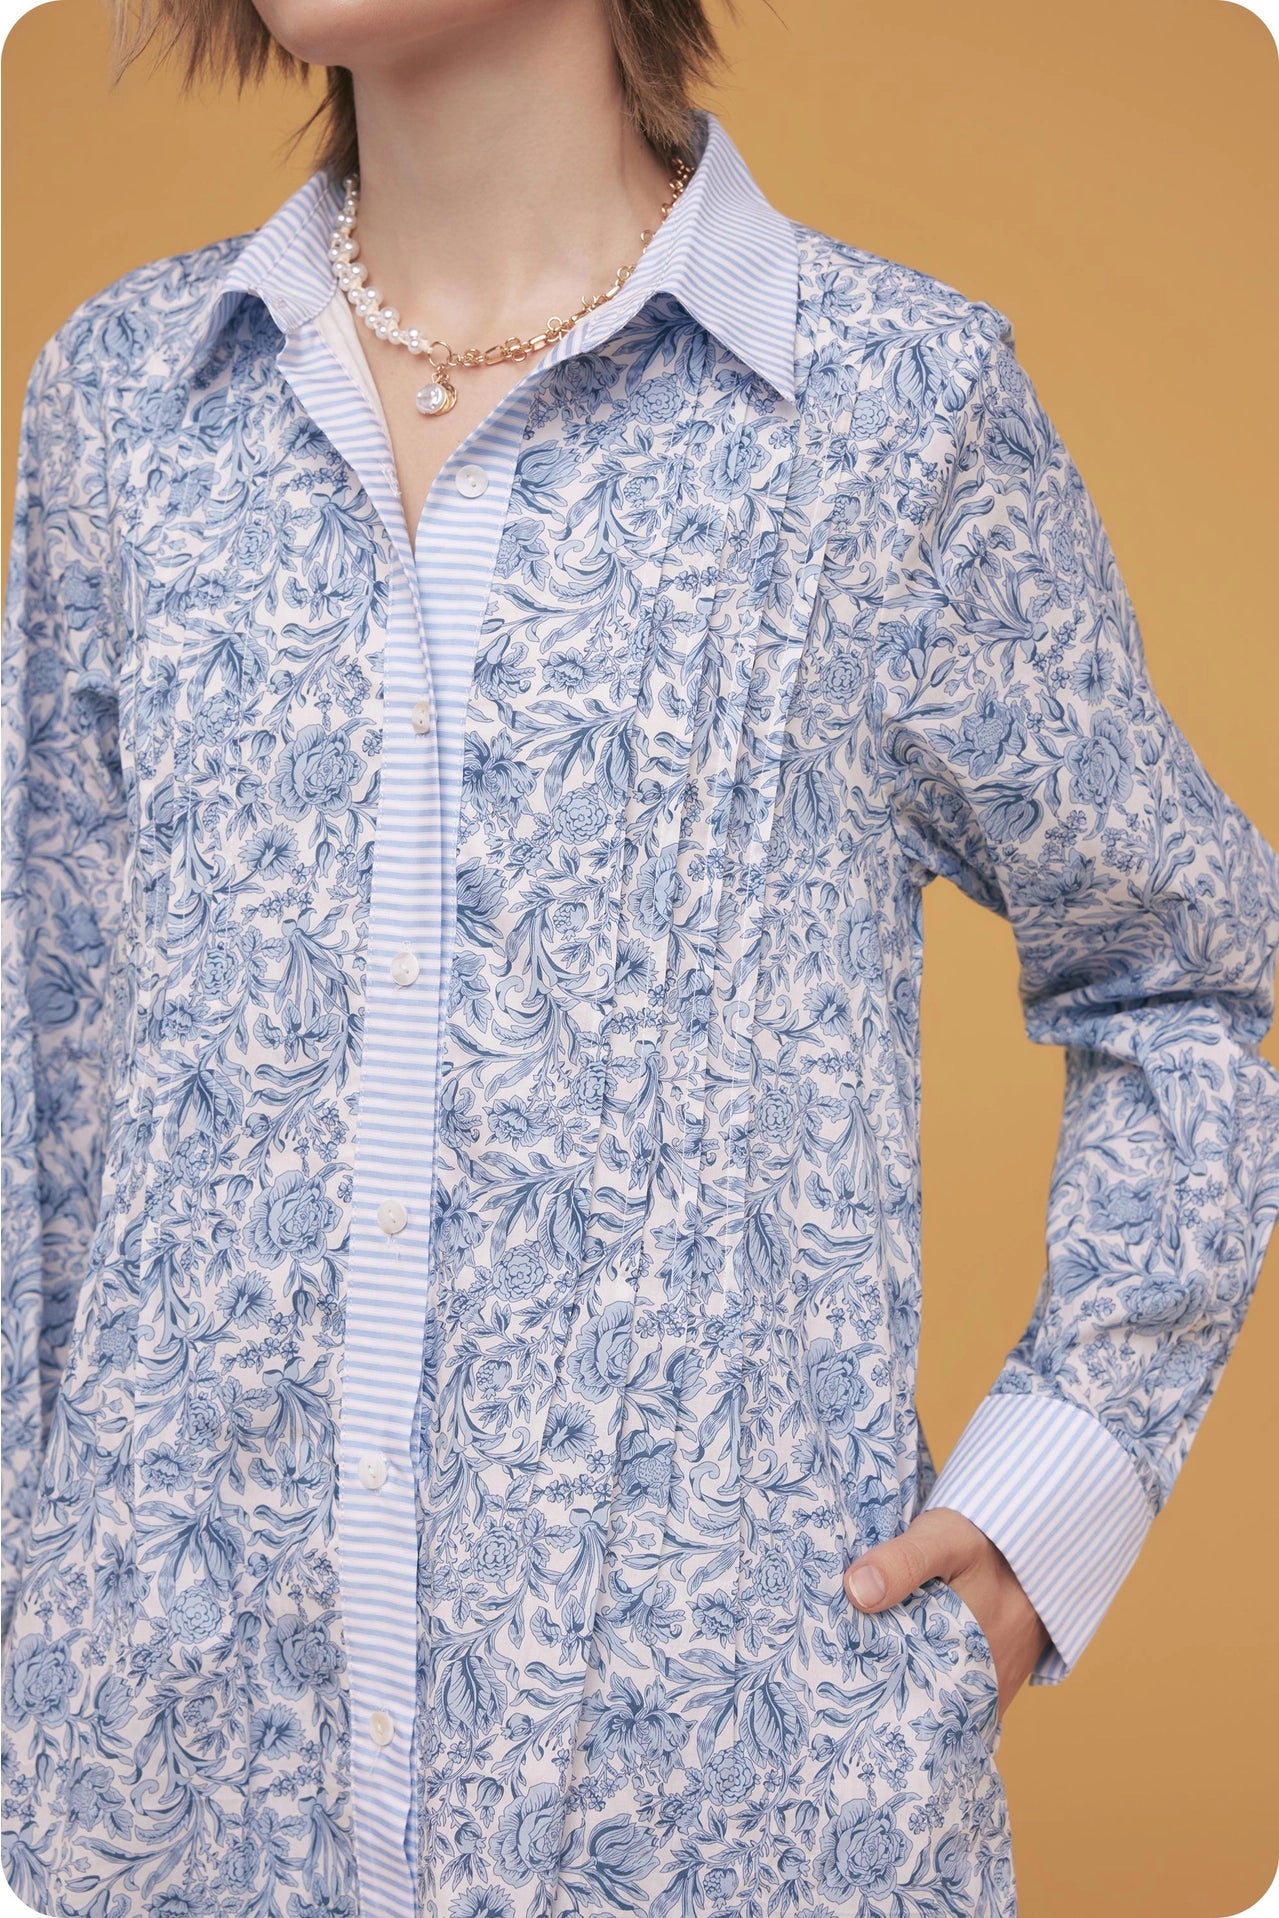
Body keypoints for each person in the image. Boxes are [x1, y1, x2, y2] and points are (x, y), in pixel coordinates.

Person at [3, 1, 1276, 1914]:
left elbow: (1188, 977)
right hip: (149, 1812)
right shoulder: (124, 406)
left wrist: (1049, 1504)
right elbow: (43, 1086)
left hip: (723, 1826)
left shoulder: (887, 412)